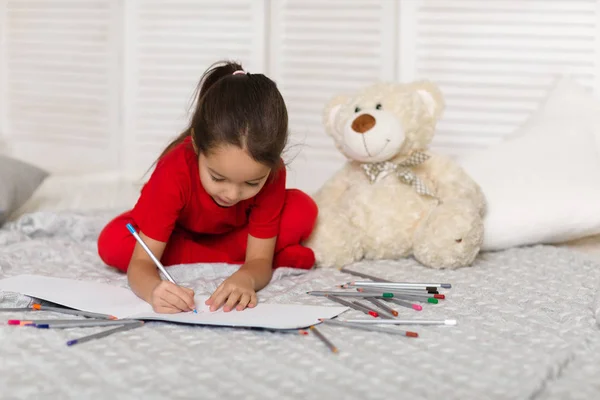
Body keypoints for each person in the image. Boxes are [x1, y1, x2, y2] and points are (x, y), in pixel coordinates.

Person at [97, 60, 317, 315]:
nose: (232, 194)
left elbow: (258, 261)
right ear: (197, 146)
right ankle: (254, 255)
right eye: (218, 177)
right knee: (114, 241)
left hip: (235, 234)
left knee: (303, 210)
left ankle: (236, 256)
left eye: (252, 183)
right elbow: (142, 262)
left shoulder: (273, 172)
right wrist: (153, 289)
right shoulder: (174, 170)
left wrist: (247, 277)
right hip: (176, 236)